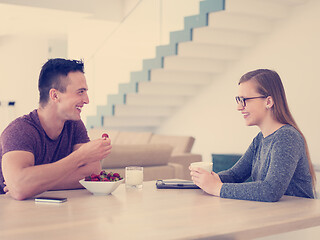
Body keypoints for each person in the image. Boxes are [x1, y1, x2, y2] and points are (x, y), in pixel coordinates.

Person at [190, 69, 316, 202]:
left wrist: (217, 188)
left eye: (244, 100)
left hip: (300, 218)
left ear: (268, 102)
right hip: (273, 214)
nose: (239, 107)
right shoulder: (260, 139)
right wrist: (208, 180)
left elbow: (270, 190)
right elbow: (235, 175)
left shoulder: (287, 137)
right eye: (238, 100)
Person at [0, 58, 112, 200]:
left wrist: (35, 185)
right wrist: (80, 156)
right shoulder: (19, 131)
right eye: (80, 92)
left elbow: (92, 171)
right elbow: (19, 189)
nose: (87, 100)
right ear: (55, 95)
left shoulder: (73, 124)